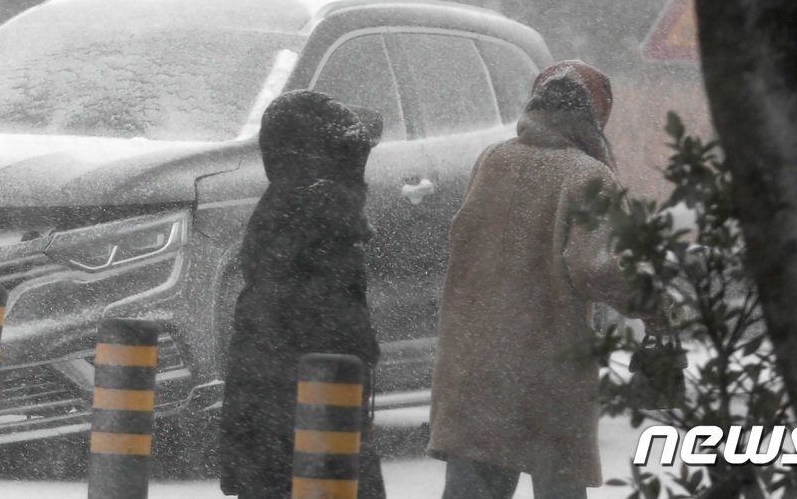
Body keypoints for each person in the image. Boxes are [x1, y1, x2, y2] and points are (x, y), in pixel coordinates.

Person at [427, 60, 670, 499]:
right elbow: (596, 266)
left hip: (475, 357)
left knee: (474, 485)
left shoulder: (492, 159)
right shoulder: (586, 174)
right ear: (596, 118)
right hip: (544, 365)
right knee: (558, 485)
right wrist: (656, 303)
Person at [220, 89, 387, 499]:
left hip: (268, 405)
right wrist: (360, 350)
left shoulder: (281, 205)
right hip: (310, 408)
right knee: (325, 473)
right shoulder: (323, 213)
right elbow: (333, 326)